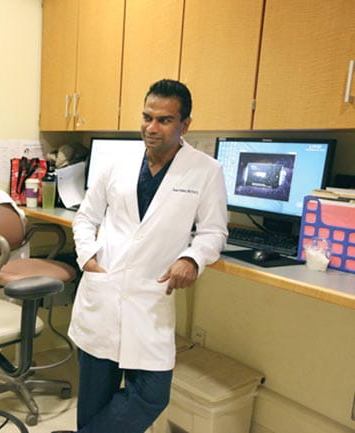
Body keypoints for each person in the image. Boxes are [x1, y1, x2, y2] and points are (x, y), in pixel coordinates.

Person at [54, 79, 228, 433]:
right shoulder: (116, 162)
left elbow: (213, 231)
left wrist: (193, 258)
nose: (152, 127)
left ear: (185, 125)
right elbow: (86, 216)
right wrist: (87, 256)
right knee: (95, 404)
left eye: (164, 120)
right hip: (104, 289)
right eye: (147, 117)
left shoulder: (206, 170)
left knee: (150, 396)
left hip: (150, 298)